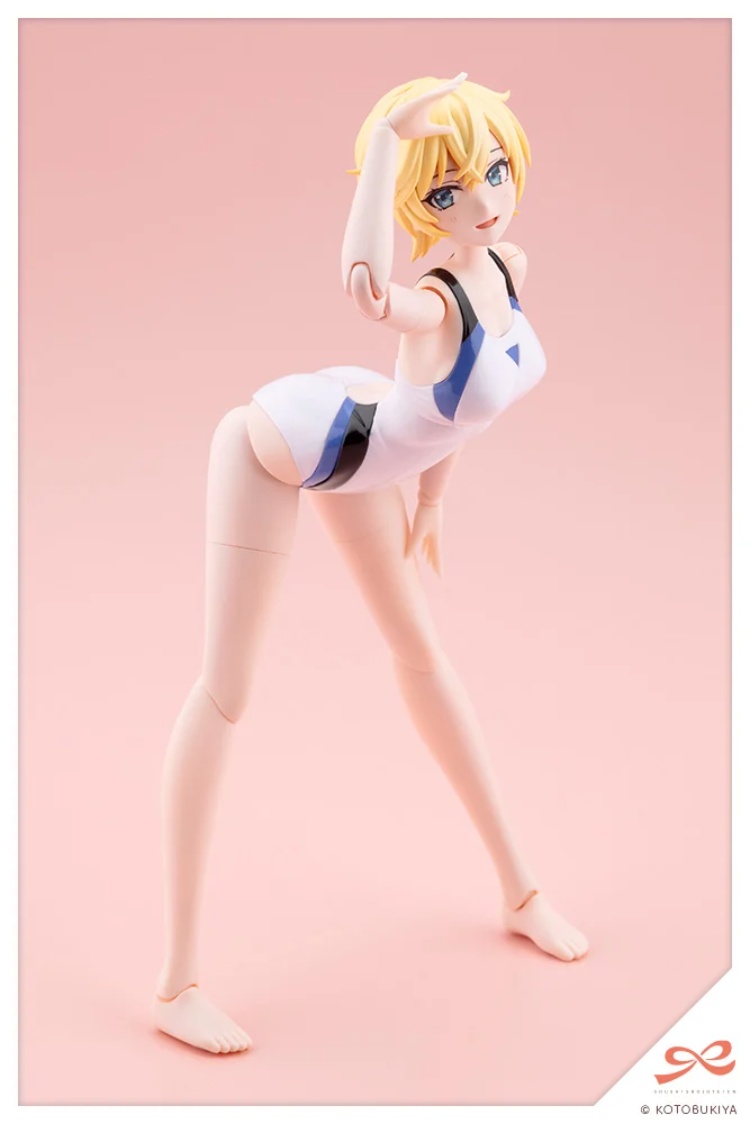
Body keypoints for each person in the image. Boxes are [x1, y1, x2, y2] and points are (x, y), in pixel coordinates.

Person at [152, 72, 589, 1056]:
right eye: (448, 189)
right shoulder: (428, 300)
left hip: (372, 453)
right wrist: (387, 144)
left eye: (493, 171)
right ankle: (176, 983)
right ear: (414, 201)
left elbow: (461, 409)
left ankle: (520, 890)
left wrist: (433, 499)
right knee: (227, 690)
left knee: (422, 655)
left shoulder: (505, 267)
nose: (482, 199)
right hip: (285, 445)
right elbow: (360, 287)